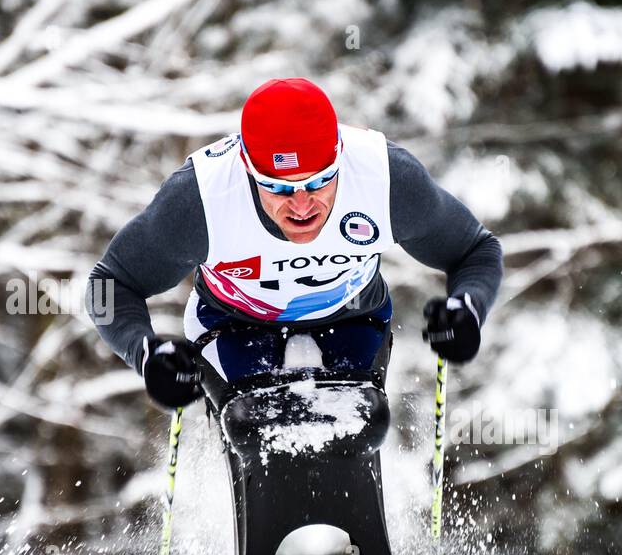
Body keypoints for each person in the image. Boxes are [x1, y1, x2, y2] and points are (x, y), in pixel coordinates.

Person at [85, 77, 503, 408]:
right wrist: (146, 353)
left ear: (340, 157)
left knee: (359, 429)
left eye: (321, 181)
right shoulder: (200, 200)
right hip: (232, 323)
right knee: (255, 437)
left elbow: (476, 250)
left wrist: (466, 308)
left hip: (352, 315)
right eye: (278, 188)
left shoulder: (387, 179)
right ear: (247, 170)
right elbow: (109, 284)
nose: (302, 205)